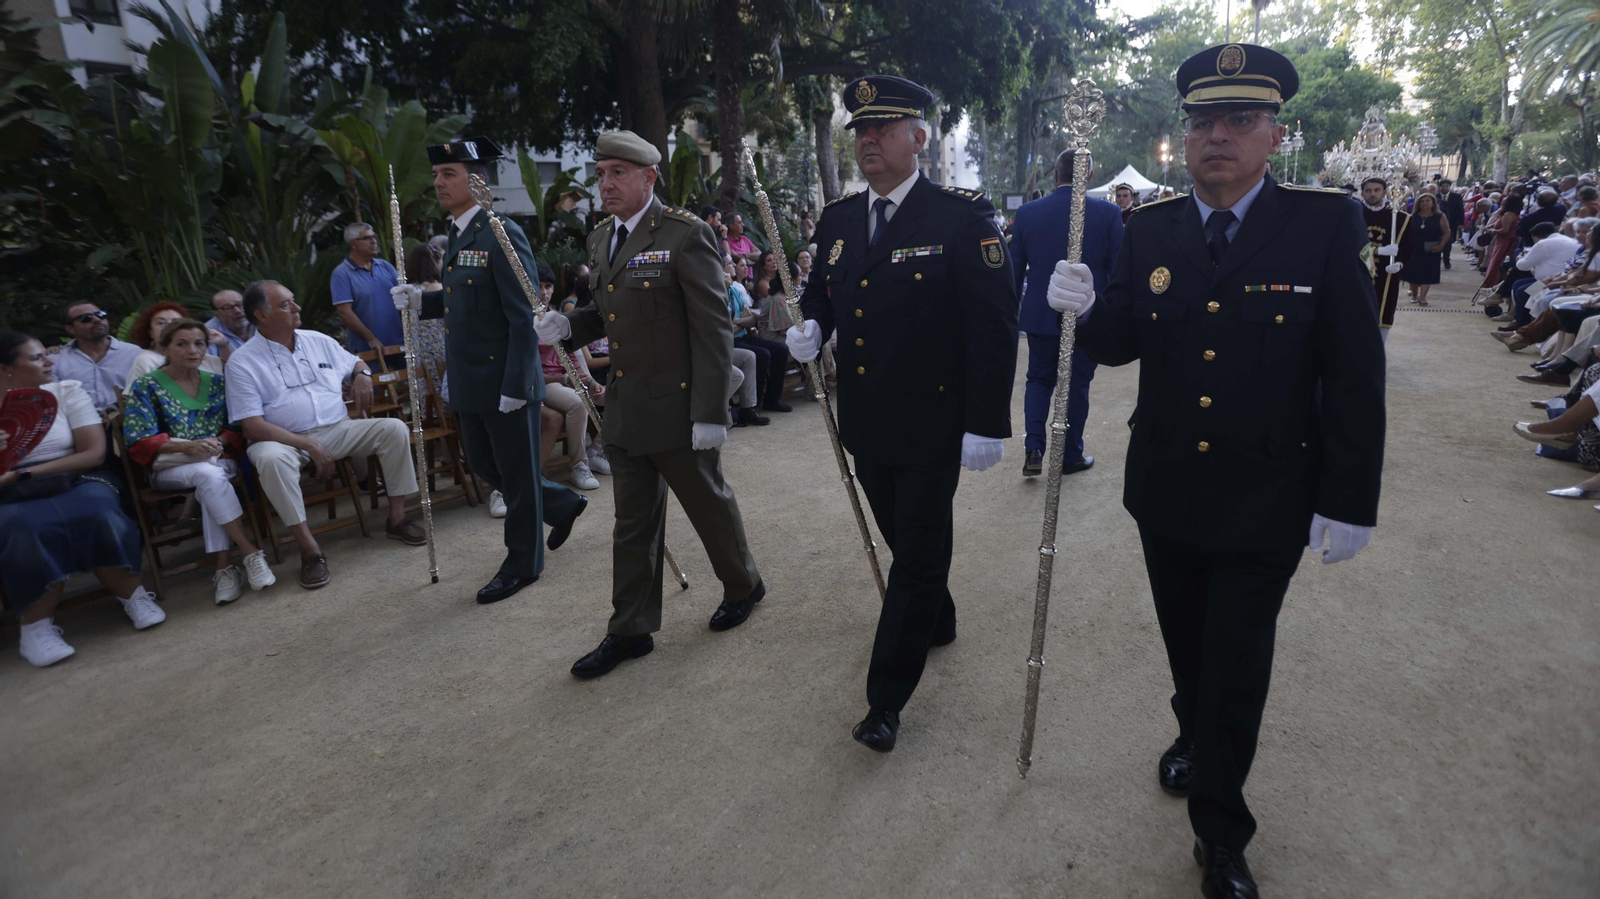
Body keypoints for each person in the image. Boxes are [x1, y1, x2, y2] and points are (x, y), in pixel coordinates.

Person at [1047, 44, 1384, 898]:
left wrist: (1349, 499)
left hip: (1269, 492)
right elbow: (1124, 340)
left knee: (1236, 660)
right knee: (1189, 642)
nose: (1218, 137)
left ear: (1276, 134)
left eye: (1240, 120)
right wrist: (1081, 312)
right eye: (1202, 122)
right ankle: (1191, 728)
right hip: (1167, 488)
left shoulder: (1321, 222)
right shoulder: (1150, 226)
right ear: (1183, 138)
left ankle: (1222, 831)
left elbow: (1352, 371)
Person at [785, 75, 1018, 754]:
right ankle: (937, 616)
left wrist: (986, 419)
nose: (868, 141)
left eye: (883, 128)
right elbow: (818, 296)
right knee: (901, 533)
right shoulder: (837, 221)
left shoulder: (959, 217)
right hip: (866, 419)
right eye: (860, 130)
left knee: (915, 554)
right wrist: (808, 327)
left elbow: (993, 325)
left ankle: (885, 700)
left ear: (919, 137)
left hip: (933, 420)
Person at [534, 130, 765, 679]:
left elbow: (712, 330)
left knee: (707, 503)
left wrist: (712, 411)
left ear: (648, 177)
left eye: (618, 172)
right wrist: (569, 325)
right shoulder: (601, 239)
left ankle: (744, 584)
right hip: (626, 405)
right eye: (601, 173)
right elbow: (608, 313)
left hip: (679, 406)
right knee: (632, 524)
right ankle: (631, 628)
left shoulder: (684, 235)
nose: (606, 183)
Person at [391, 137, 588, 604]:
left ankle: (522, 562)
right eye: (437, 175)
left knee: (517, 476)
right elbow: (466, 298)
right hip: (470, 379)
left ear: (475, 180)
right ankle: (561, 503)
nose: (438, 182)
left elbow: (523, 314)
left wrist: (520, 382)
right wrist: (424, 300)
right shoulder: (459, 232)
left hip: (505, 379)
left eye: (449, 174)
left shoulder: (500, 231)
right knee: (482, 463)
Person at [227, 280, 428, 590]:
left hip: (337, 428)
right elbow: (252, 425)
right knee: (269, 460)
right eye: (285, 305)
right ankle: (310, 551)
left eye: (293, 301)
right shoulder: (242, 361)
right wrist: (307, 444)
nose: (296, 308)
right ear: (261, 315)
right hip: (282, 440)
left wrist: (362, 375)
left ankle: (397, 519)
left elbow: (355, 362)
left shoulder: (317, 340)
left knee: (393, 428)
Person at [0, 330, 163, 667]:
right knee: (22, 527)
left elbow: (93, 453)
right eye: (36, 357)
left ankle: (132, 595)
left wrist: (22, 473)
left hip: (76, 479)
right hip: (8, 495)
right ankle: (36, 626)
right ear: (5, 370)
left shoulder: (65, 391)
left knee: (99, 510)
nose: (50, 361)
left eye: (47, 353)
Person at [123, 318, 276, 604]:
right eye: (181, 344)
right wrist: (188, 446)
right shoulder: (146, 386)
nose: (192, 350)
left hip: (217, 460)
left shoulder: (218, 382)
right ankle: (248, 551)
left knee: (208, 476)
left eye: (199, 343)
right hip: (170, 466)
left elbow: (238, 427)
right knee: (209, 474)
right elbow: (137, 439)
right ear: (164, 348)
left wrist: (220, 442)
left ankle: (224, 568)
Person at [1010, 147, 1123, 477]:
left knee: (1039, 380)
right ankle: (1070, 454)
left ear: (1055, 174)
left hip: (1041, 315)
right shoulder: (1108, 214)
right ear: (1087, 176)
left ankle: (1034, 446)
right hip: (1088, 316)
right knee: (1077, 385)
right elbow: (1117, 272)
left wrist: (1011, 313)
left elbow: (1015, 272)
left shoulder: (1028, 214)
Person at [535, 266, 603, 491]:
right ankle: (578, 465)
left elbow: (573, 359)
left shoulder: (558, 317)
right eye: (540, 285)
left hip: (566, 380)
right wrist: (565, 381)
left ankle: (598, 450)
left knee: (616, 395)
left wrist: (591, 382)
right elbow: (530, 372)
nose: (544, 291)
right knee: (577, 402)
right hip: (545, 383)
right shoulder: (525, 321)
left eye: (548, 286)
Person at [330, 222, 405, 364]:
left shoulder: (385, 266)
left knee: (411, 385)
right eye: (367, 238)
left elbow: (403, 297)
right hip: (368, 348)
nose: (373, 241)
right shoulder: (342, 274)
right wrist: (370, 338)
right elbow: (345, 312)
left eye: (373, 237)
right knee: (372, 386)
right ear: (353, 244)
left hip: (399, 343)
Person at [49, 301, 143, 413]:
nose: (97, 320)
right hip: (80, 425)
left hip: (130, 421)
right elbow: (53, 401)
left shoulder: (134, 353)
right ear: (70, 329)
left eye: (101, 315)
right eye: (86, 318)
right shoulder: (57, 360)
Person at [123, 300, 225, 391]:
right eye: (161, 323)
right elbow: (134, 399)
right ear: (151, 333)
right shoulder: (146, 360)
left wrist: (224, 345)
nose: (169, 326)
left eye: (176, 322)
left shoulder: (205, 358)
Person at [1359, 177, 1414, 342]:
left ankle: (1379, 352)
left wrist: (1399, 263)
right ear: (1362, 192)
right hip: (1358, 271)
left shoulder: (1401, 218)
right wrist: (1379, 250)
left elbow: (1407, 248)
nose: (1372, 194)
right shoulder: (1353, 214)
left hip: (1387, 274)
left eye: (1377, 190)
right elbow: (1348, 245)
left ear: (1384, 192)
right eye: (1368, 191)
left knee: (1384, 311)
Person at [1403, 193, 1450, 306]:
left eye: (1427, 201)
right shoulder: (1412, 216)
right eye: (1422, 201)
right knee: (1413, 274)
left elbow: (1446, 232)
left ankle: (1423, 297)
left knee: (1427, 274)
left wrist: (1441, 245)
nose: (1425, 203)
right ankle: (1414, 295)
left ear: (1433, 202)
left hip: (1431, 248)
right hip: (1414, 248)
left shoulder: (1440, 216)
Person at [1481, 194, 1523, 287]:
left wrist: (1491, 230)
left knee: (1497, 263)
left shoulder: (1508, 214)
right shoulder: (1510, 213)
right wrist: (1491, 226)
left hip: (1504, 242)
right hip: (1503, 241)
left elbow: (1504, 230)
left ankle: (1492, 283)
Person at [205, 289, 255, 355]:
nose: (238, 311)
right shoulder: (208, 333)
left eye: (240, 304)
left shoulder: (261, 321)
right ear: (216, 315)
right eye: (228, 308)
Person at [1438, 179, 1465, 270]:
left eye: (1447, 186)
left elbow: (1461, 210)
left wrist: (1461, 223)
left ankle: (1446, 260)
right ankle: (1437, 259)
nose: (1445, 188)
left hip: (1451, 223)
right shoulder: (1435, 197)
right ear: (1440, 187)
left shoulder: (1456, 197)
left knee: (1448, 243)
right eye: (1443, 186)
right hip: (1437, 224)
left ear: (1449, 187)